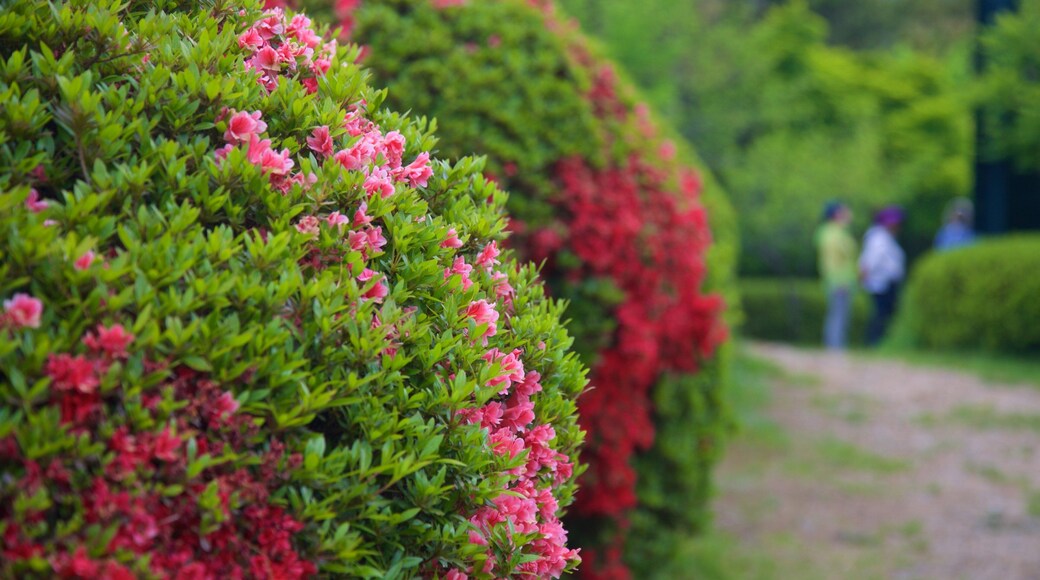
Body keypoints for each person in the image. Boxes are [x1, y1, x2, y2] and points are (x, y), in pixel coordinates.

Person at [859, 206, 905, 346]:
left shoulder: (885, 237)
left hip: (885, 282)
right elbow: (872, 259)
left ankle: (879, 341)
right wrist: (865, 275)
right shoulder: (879, 237)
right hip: (880, 282)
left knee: (883, 314)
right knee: (880, 314)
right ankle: (874, 342)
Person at [815, 201, 857, 350]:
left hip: (842, 280)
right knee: (838, 315)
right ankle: (834, 347)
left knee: (839, 314)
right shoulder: (832, 234)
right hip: (839, 281)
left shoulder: (837, 232)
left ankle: (835, 346)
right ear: (837, 214)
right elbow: (831, 262)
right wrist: (838, 281)